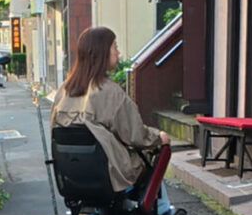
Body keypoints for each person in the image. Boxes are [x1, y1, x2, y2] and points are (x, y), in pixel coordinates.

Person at [50, 26, 170, 192]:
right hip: (109, 174)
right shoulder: (110, 92)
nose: (118, 52)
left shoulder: (64, 90)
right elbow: (135, 135)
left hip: (72, 173)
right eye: (115, 47)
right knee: (151, 168)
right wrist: (158, 137)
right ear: (102, 52)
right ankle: (162, 212)